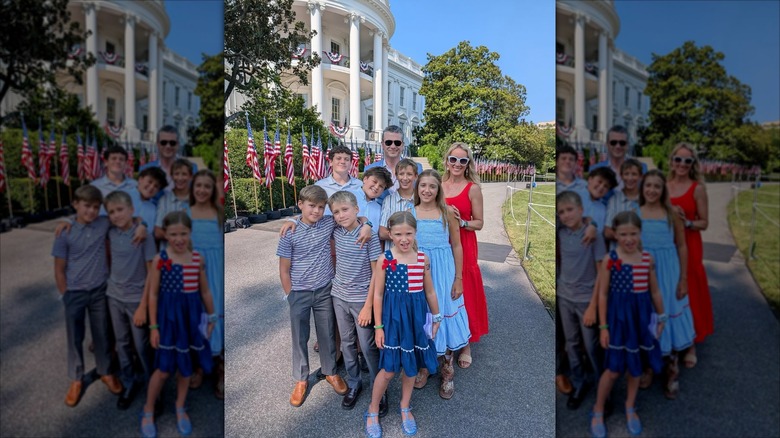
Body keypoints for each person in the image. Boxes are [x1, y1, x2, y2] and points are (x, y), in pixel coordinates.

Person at [277, 185, 362, 407]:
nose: (316, 211)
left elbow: (354, 217)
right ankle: (301, 379)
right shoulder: (290, 232)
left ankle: (330, 371)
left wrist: (368, 225)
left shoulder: (328, 223)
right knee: (300, 337)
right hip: (299, 292)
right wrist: (290, 295)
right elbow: (284, 269)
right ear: (301, 205)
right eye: (311, 206)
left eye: (321, 207)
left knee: (326, 333)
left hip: (325, 289)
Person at [364, 211, 441, 438]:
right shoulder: (385, 259)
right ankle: (372, 409)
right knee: (388, 370)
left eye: (408, 233)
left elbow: (429, 290)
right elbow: (378, 295)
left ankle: (405, 406)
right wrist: (378, 327)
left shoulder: (422, 259)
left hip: (416, 320)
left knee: (411, 368)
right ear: (390, 234)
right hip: (393, 321)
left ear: (416, 232)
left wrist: (436, 317)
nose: (404, 239)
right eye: (398, 234)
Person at [589, 211, 666, 438]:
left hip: (642, 320)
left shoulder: (647, 259)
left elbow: (654, 291)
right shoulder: (610, 260)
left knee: (636, 368)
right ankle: (598, 409)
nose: (629, 239)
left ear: (640, 233)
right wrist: (603, 327)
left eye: (633, 233)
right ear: (615, 234)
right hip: (619, 321)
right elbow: (603, 295)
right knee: (613, 370)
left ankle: (630, 407)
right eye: (624, 234)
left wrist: (661, 318)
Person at [140, 211, 216, 438]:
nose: (179, 239)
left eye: (183, 233)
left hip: (191, 319)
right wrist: (153, 327)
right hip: (169, 320)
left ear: (190, 233)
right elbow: (153, 295)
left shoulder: (197, 259)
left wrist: (211, 318)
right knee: (163, 370)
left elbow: (204, 291)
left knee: (186, 368)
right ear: (165, 235)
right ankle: (148, 410)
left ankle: (180, 406)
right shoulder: (160, 260)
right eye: (173, 234)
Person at [51, 185, 123, 407]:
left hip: (99, 291)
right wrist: (66, 294)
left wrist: (141, 225)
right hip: (75, 293)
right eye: (86, 206)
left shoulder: (102, 224)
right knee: (75, 338)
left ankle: (105, 371)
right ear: (75, 205)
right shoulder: (65, 232)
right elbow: (59, 268)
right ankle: (76, 378)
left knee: (101, 334)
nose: (91, 211)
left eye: (95, 207)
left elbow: (124, 218)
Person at [410, 169, 470, 400]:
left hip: (443, 272)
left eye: (432, 186)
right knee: (424, 316)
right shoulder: (409, 212)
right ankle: (425, 365)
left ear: (438, 190)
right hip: (419, 272)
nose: (427, 190)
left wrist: (458, 278)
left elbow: (456, 246)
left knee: (442, 313)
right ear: (417, 188)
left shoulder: (447, 213)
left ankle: (447, 368)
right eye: (422, 185)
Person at [637, 170, 695, 399]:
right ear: (643, 189)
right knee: (649, 317)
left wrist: (683, 278)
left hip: (669, 273)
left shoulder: (672, 215)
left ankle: (672, 367)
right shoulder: (635, 213)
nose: (652, 190)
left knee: (666, 314)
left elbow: (682, 246)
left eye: (657, 187)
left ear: (663, 191)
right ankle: (650, 365)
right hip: (644, 273)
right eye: (648, 186)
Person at [327, 191, 384, 411]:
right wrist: (292, 221)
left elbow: (377, 274)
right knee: (348, 344)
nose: (341, 215)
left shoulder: (368, 236)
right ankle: (354, 382)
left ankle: (380, 388)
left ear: (356, 209)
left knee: (368, 347)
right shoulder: (336, 230)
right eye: (336, 212)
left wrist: (369, 306)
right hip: (339, 296)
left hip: (362, 300)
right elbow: (311, 218)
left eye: (345, 210)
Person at [103, 191, 157, 410]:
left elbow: (151, 274)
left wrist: (143, 306)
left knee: (142, 347)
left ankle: (154, 386)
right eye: (111, 212)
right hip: (114, 297)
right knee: (122, 344)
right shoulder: (110, 232)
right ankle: (129, 382)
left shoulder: (144, 235)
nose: (116, 215)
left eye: (120, 210)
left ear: (131, 210)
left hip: (136, 300)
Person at [556, 191, 606, 410]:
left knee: (592, 346)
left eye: (570, 210)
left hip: (587, 301)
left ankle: (603, 388)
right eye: (561, 212)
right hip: (565, 298)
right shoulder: (561, 232)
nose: (565, 215)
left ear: (581, 210)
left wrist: (594, 307)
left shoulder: (593, 235)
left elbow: (602, 275)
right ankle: (579, 382)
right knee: (573, 344)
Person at [667, 142, 713, 368]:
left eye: (687, 161)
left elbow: (705, 223)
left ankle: (691, 343)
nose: (682, 164)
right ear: (672, 162)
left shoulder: (697, 188)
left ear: (693, 164)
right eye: (678, 159)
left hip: (690, 243)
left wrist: (687, 222)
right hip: (668, 244)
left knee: (690, 290)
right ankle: (673, 335)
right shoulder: (664, 186)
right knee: (670, 289)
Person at [441, 142, 486, 368]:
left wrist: (462, 222)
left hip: (464, 242)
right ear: (447, 162)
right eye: (453, 159)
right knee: (443, 287)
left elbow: (479, 222)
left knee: (464, 288)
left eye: (463, 160)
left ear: (468, 164)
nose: (457, 164)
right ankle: (445, 334)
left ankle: (466, 342)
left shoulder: (473, 188)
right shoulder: (438, 185)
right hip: (441, 243)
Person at [188, 169, 225, 398]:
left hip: (215, 270)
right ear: (192, 189)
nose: (202, 190)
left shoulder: (219, 214)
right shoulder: (185, 212)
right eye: (198, 185)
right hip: (192, 271)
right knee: (197, 315)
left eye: (207, 186)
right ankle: (200, 364)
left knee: (216, 315)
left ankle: (221, 367)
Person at [364, 125, 423, 206]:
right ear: (382, 144)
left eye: (397, 143)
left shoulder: (417, 168)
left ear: (402, 145)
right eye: (388, 142)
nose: (393, 146)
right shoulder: (370, 169)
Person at [590, 125, 648, 204]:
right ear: (607, 144)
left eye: (622, 143)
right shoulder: (595, 169)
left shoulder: (642, 168)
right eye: (613, 142)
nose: (618, 146)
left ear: (627, 145)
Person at [90, 145, 143, 216]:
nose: (117, 161)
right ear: (106, 162)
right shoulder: (94, 186)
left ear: (126, 164)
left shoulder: (135, 185)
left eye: (121, 159)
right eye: (113, 158)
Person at [139, 125, 194, 191]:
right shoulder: (145, 169)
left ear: (178, 144)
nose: (168, 146)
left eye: (172, 143)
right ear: (158, 144)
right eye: (163, 142)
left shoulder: (192, 168)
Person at [379, 158, 418, 249]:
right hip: (394, 255)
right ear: (396, 175)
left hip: (416, 254)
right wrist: (404, 238)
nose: (405, 178)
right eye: (401, 174)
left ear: (416, 176)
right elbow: (382, 232)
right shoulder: (389, 200)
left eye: (409, 174)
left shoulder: (421, 200)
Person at [604, 159, 643, 250]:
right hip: (619, 255)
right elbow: (607, 231)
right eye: (626, 174)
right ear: (621, 176)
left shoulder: (646, 199)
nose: (630, 178)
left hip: (642, 254)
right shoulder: (614, 200)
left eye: (634, 174)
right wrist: (628, 240)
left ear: (641, 176)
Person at [154, 158, 194, 244]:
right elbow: (157, 231)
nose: (180, 178)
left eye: (184, 174)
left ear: (191, 176)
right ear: (171, 176)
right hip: (169, 254)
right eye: (176, 174)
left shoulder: (197, 200)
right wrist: (176, 239)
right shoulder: (164, 201)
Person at [350, 166, 393, 234]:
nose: (376, 187)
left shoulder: (379, 209)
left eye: (381, 186)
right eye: (374, 181)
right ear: (365, 179)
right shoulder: (348, 196)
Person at [583, 166, 618, 241]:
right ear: (590, 179)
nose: (601, 187)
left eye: (606, 186)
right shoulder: (575, 195)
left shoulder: (603, 209)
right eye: (599, 181)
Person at [136, 166, 168, 232]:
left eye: (156, 186)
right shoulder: (125, 196)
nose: (151, 187)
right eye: (150, 182)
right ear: (140, 179)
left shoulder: (153, 209)